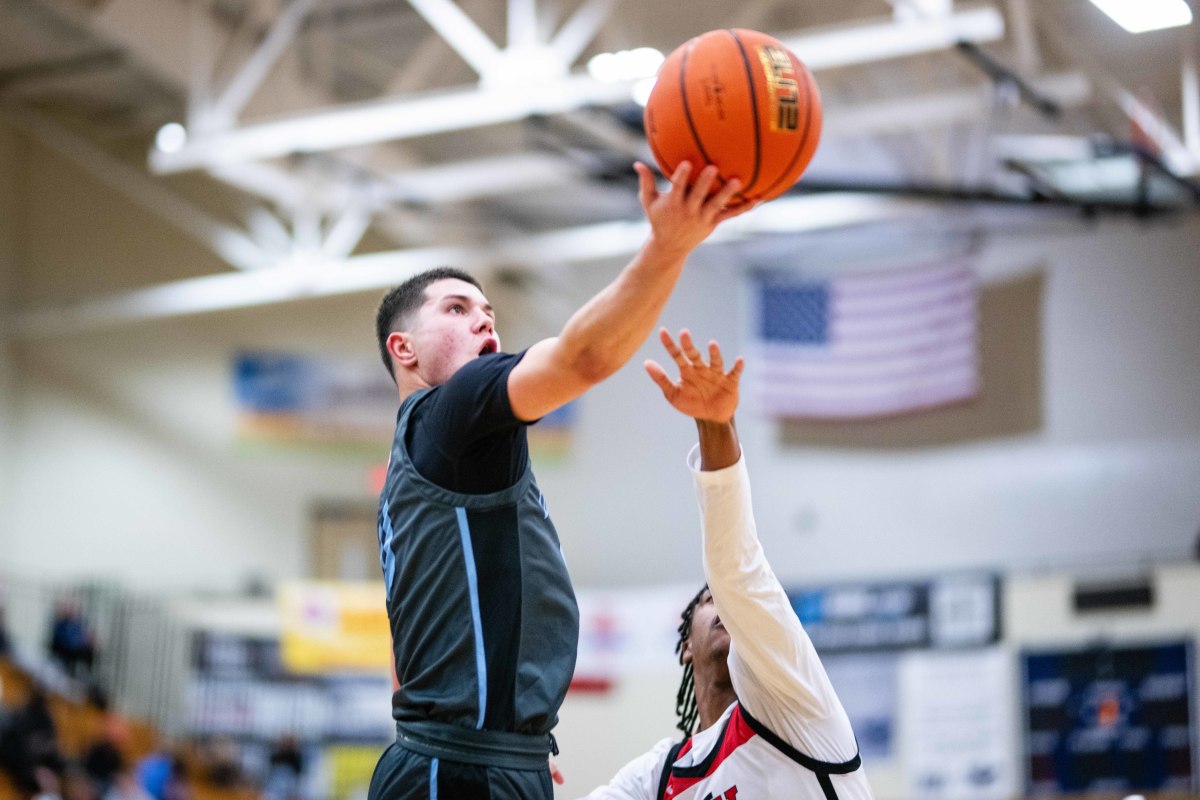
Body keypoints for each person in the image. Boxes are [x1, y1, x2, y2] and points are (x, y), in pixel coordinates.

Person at [368, 162, 752, 800]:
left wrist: (504, 737)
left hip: (477, 758)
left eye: (488, 311)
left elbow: (406, 638)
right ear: (403, 349)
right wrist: (669, 245)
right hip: (460, 768)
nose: (484, 322)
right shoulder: (454, 412)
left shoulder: (421, 462)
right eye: (457, 309)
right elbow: (585, 356)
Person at [582, 329, 874, 800]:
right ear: (685, 647)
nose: (724, 605)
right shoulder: (657, 777)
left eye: (730, 600)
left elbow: (736, 570)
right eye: (707, 601)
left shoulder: (796, 704)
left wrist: (715, 425)